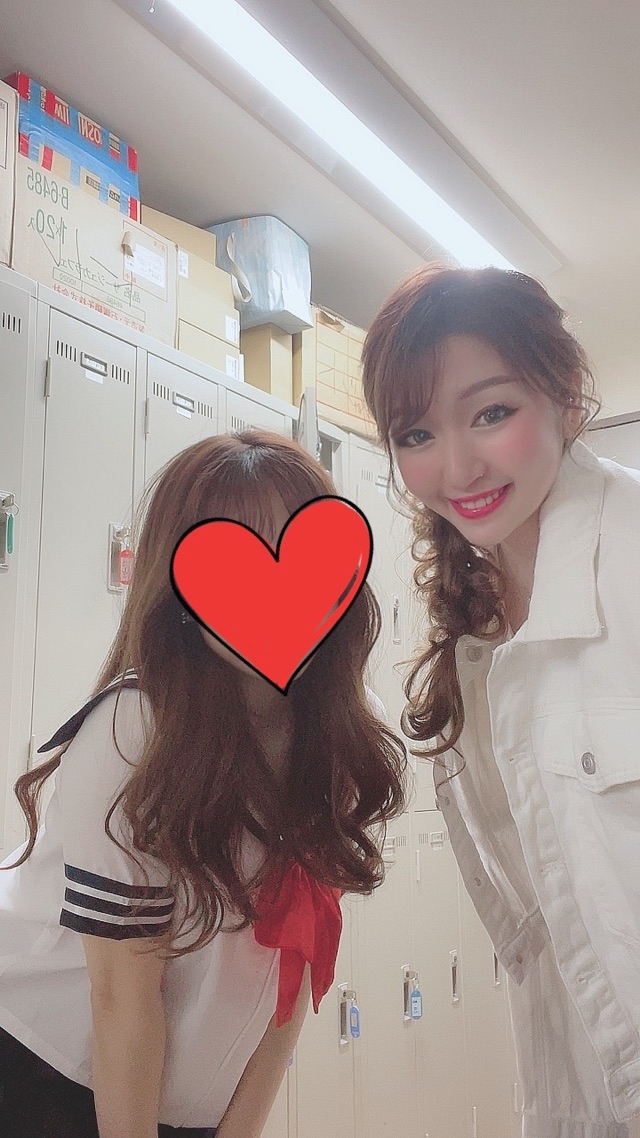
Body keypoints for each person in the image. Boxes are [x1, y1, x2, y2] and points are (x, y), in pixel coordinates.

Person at [0, 428, 407, 1138]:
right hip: (45, 1059)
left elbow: (293, 965)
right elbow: (122, 1001)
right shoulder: (136, 729)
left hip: (176, 1088)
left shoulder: (344, 729)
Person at [360, 264, 640, 1138]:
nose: (457, 467)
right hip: (578, 1087)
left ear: (566, 395)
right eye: (416, 433)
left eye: (491, 413)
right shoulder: (480, 617)